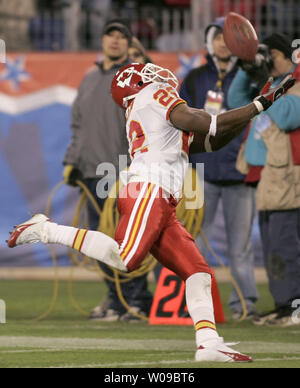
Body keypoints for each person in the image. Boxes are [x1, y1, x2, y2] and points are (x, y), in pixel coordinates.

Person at [7, 62, 294, 362]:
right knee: (125, 258)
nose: (155, 72)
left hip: (159, 197)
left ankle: (209, 342)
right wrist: (259, 104)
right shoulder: (153, 93)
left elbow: (213, 138)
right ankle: (45, 229)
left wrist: (255, 109)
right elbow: (207, 121)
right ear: (137, 82)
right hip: (148, 190)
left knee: (197, 272)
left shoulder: (150, 110)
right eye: (146, 71)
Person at [62, 18, 153, 322]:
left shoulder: (136, 77)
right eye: (110, 35)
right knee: (102, 244)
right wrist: (72, 160)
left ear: (129, 43)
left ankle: (137, 301)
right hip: (92, 173)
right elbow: (78, 126)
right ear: (102, 40)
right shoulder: (89, 79)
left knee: (127, 242)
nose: (115, 41)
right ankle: (116, 302)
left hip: (123, 171)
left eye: (121, 36)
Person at [179, 17, 258, 320]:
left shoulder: (250, 76)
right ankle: (199, 307)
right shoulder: (196, 77)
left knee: (241, 247)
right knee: (194, 245)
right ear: (208, 41)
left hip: (240, 171)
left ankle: (245, 304)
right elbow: (181, 120)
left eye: (229, 38)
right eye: (218, 37)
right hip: (202, 174)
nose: (223, 43)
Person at [228, 33, 300, 326]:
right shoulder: (271, 85)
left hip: (285, 174)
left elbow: (286, 118)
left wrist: (267, 84)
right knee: (272, 245)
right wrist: (247, 71)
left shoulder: (294, 84)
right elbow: (234, 102)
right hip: (265, 172)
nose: (268, 62)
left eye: (271, 55)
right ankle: (284, 305)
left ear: (287, 56)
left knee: (284, 243)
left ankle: (293, 305)